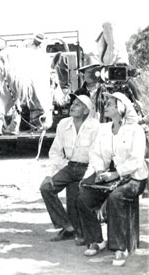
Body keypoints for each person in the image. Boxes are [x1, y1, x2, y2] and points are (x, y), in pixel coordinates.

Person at [77, 92, 148, 266]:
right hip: (108, 175)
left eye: (110, 103)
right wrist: (100, 170)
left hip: (133, 177)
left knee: (115, 197)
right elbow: (95, 153)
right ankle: (96, 239)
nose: (105, 106)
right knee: (83, 197)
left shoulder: (135, 130)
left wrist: (117, 174)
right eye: (106, 103)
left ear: (121, 108)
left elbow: (137, 160)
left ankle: (119, 248)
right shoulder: (103, 129)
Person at [40, 94, 100, 244]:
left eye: (78, 104)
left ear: (86, 111)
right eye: (72, 103)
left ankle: (78, 232)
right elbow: (55, 151)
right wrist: (49, 174)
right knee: (46, 187)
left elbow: (95, 156)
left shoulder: (95, 127)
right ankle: (67, 226)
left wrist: (85, 178)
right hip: (69, 166)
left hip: (87, 168)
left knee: (75, 198)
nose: (72, 106)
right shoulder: (63, 124)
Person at [74, 53, 103, 120]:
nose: (89, 75)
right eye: (87, 72)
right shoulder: (78, 94)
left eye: (92, 72)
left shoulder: (106, 93)